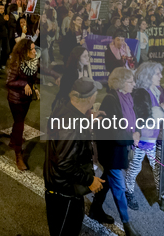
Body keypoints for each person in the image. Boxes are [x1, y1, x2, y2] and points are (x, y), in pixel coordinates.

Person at [44, 77, 105, 236]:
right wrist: (90, 180)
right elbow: (63, 163)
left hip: (65, 191)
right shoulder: (71, 125)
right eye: (95, 93)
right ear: (90, 98)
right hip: (65, 194)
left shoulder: (66, 109)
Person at [90, 67, 141, 236]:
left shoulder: (126, 97)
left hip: (118, 149)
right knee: (119, 188)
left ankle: (95, 209)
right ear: (120, 83)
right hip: (112, 151)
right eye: (130, 81)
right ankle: (127, 225)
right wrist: (131, 136)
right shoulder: (111, 100)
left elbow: (132, 120)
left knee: (107, 180)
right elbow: (113, 132)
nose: (134, 84)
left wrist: (136, 133)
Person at [125, 62, 164, 211]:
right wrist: (161, 110)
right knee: (135, 168)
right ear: (148, 76)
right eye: (157, 74)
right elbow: (143, 117)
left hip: (153, 137)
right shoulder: (141, 93)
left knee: (157, 167)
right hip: (143, 138)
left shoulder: (155, 90)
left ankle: (161, 195)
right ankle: (128, 191)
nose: (161, 76)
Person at [6, 39, 40, 171]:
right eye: (31, 49)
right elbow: (9, 81)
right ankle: (18, 155)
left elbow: (33, 78)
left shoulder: (33, 62)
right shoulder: (16, 63)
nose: (34, 51)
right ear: (24, 51)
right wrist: (23, 84)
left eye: (34, 49)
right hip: (15, 99)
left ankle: (13, 141)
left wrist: (34, 87)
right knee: (20, 123)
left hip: (26, 98)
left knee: (18, 122)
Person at [53, 46, 91, 111]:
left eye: (88, 56)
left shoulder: (84, 70)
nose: (88, 58)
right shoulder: (71, 72)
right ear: (78, 58)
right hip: (67, 105)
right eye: (85, 56)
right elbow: (65, 92)